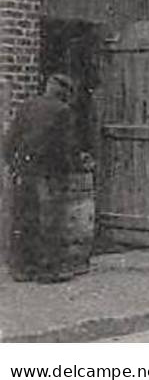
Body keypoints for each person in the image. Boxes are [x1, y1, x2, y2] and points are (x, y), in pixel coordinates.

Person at [4, 73, 85, 282]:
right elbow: (64, 147)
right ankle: (48, 270)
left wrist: (13, 165)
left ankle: (21, 269)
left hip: (23, 171)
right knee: (50, 220)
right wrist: (72, 168)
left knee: (23, 219)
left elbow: (9, 139)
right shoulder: (62, 111)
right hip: (49, 174)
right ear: (63, 92)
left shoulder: (27, 105)